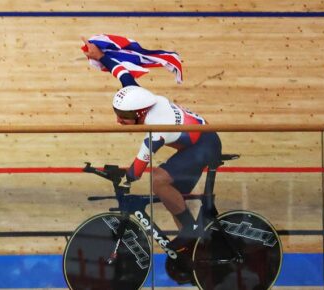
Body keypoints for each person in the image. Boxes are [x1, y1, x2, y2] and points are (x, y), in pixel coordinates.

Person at [81, 37, 222, 255]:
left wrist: (127, 177)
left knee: (158, 180)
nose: (119, 121)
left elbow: (140, 163)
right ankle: (195, 250)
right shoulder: (140, 99)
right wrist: (99, 56)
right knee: (171, 195)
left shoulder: (158, 124)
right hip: (195, 145)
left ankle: (190, 233)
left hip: (205, 144)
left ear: (139, 114)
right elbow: (123, 74)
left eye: (124, 118)